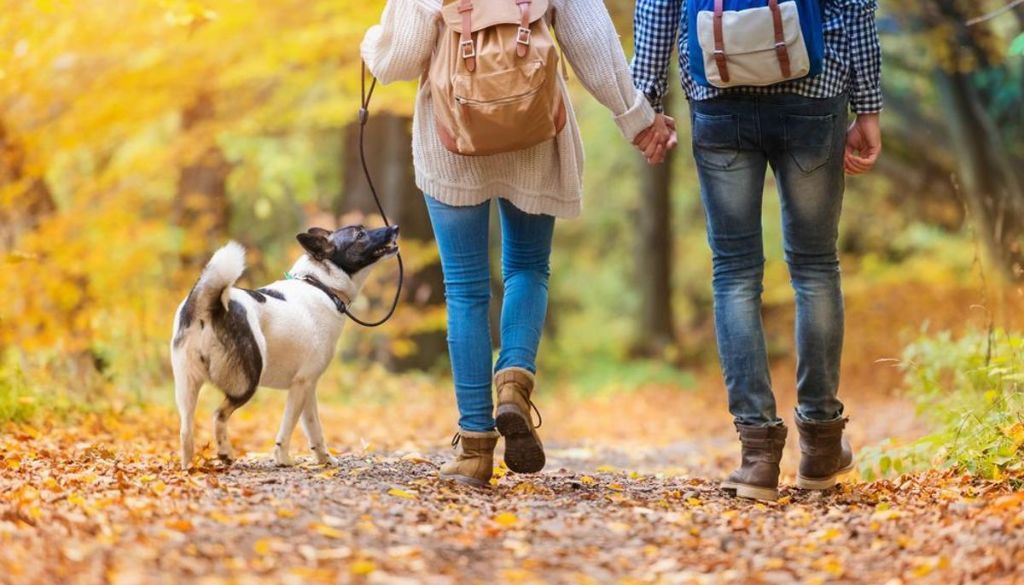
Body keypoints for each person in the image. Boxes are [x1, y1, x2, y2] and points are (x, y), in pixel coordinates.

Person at [362, 0, 677, 488]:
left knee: (465, 290)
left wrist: (371, 45)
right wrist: (639, 121)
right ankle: (513, 380)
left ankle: (474, 450)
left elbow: (397, 60)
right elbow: (594, 46)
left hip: (453, 138)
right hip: (536, 131)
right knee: (528, 267)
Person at [632, 0, 883, 501]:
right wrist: (869, 107)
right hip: (813, 93)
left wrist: (647, 104)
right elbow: (855, 7)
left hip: (718, 95)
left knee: (734, 274)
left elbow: (657, 7)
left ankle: (758, 457)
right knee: (814, 267)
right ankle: (819, 444)